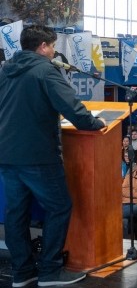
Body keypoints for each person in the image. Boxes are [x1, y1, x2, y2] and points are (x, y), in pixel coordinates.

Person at [0, 25, 106, 287]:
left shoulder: (5, 71)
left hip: (7, 154)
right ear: (44, 46)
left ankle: (23, 273)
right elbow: (71, 107)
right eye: (53, 45)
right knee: (59, 206)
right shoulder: (46, 70)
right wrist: (95, 123)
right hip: (38, 155)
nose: (54, 50)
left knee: (16, 215)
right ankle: (50, 271)